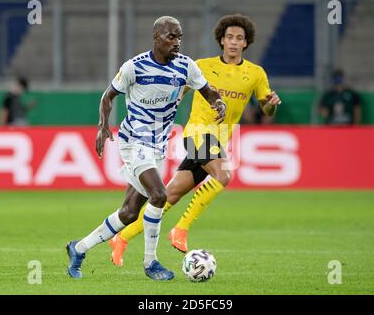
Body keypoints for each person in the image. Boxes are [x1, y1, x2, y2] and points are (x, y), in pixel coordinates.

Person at [108, 14, 281, 266]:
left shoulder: (255, 74)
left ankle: (121, 238)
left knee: (169, 196)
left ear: (246, 43)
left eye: (239, 38)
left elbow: (267, 111)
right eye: (229, 37)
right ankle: (181, 229)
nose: (234, 42)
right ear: (221, 40)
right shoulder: (201, 65)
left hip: (218, 141)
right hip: (197, 134)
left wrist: (270, 106)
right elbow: (175, 91)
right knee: (223, 174)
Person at [66, 16, 226, 280]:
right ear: (156, 37)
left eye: (180, 37)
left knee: (129, 213)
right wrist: (103, 125)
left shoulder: (186, 67)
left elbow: (208, 91)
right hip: (134, 141)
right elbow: (108, 95)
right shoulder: (135, 67)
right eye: (171, 37)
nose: (177, 42)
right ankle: (151, 263)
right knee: (160, 196)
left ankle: (78, 248)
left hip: (157, 146)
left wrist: (218, 103)